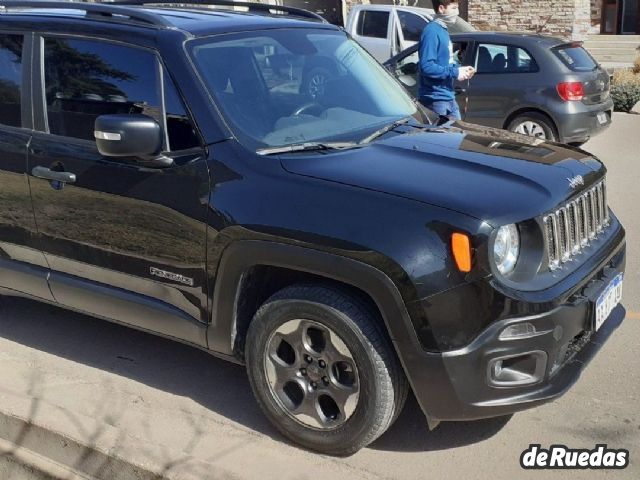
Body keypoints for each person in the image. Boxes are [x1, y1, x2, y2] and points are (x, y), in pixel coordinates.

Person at [418, 0, 474, 121]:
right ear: (441, 9)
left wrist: (460, 70)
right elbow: (426, 66)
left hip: (448, 96)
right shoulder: (431, 31)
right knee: (441, 138)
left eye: (457, 8)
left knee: (458, 136)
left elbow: (445, 63)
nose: (457, 12)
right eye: (453, 8)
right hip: (435, 99)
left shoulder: (443, 31)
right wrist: (454, 72)